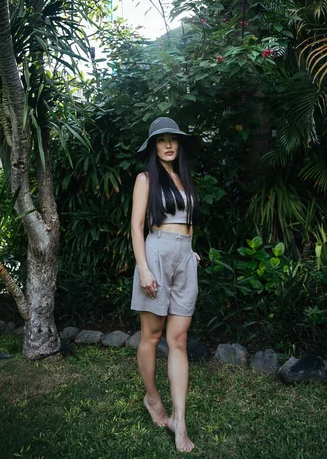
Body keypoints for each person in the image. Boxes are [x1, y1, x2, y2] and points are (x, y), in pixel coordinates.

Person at [130, 116, 200, 453]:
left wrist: (191, 250)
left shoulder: (184, 178)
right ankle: (153, 399)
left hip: (184, 259)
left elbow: (186, 222)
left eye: (173, 139)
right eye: (162, 140)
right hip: (155, 256)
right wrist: (143, 268)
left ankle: (180, 420)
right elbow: (137, 225)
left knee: (179, 339)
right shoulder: (146, 179)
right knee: (152, 336)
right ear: (153, 146)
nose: (168, 145)